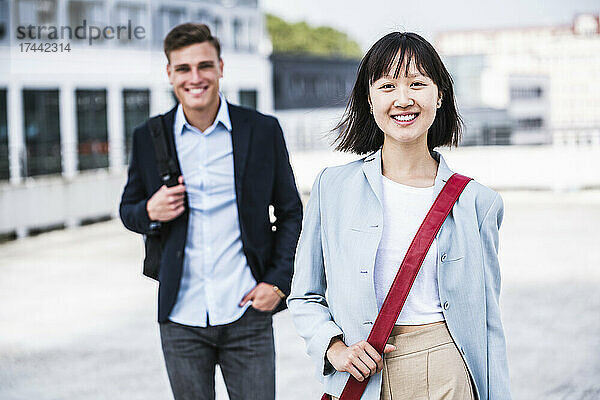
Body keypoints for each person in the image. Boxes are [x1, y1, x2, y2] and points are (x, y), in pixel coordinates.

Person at [288, 32, 511, 400]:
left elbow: (488, 323)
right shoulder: (333, 187)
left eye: (417, 84)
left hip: (446, 367)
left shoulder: (477, 202)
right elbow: (304, 295)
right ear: (369, 98)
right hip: (361, 373)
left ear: (439, 95)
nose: (403, 99)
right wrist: (334, 348)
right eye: (387, 85)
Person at [119, 23, 302, 400]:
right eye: (183, 69)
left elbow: (291, 213)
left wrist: (279, 282)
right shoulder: (148, 136)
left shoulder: (262, 130)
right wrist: (151, 211)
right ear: (169, 73)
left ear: (221, 66)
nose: (195, 77)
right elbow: (128, 210)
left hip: (246, 313)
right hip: (180, 316)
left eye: (204, 65)